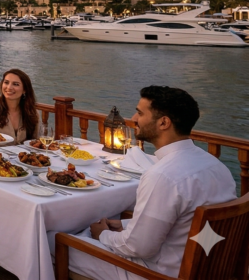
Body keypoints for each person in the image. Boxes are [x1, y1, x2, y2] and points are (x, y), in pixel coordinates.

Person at [52, 86, 236, 280]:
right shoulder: (216, 166)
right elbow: (183, 223)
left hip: (156, 273)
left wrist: (103, 234)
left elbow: (138, 247)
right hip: (206, 268)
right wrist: (123, 224)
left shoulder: (163, 176)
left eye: (140, 113)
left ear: (164, 122)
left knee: (52, 240)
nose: (134, 118)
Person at [0, 69, 40, 143]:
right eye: (6, 82)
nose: (9, 87)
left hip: (23, 154)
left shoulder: (32, 113)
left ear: (24, 90)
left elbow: (35, 143)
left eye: (15, 84)